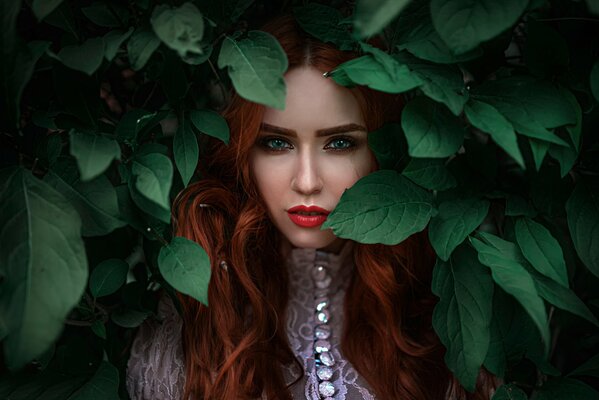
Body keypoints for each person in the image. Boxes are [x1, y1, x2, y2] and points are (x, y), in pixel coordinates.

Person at [126, 15, 495, 400]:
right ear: (243, 153)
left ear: (384, 152)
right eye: (275, 144)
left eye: (339, 144)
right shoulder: (194, 316)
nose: (306, 181)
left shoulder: (442, 304)